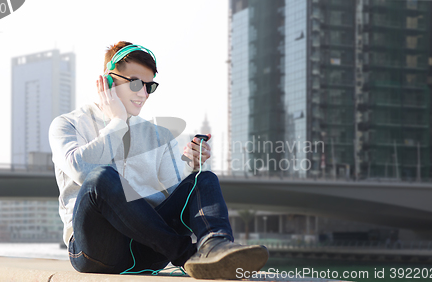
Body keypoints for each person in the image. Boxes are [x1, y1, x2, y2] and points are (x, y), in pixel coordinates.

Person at [48, 41, 268, 279]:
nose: (142, 94)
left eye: (148, 87)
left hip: (149, 250)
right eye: (134, 83)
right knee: (101, 177)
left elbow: (172, 198)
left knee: (202, 179)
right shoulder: (67, 124)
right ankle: (188, 256)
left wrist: (191, 168)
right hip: (98, 251)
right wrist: (118, 122)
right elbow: (82, 170)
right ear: (108, 82)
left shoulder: (158, 136)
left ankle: (216, 246)